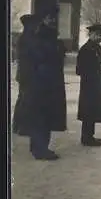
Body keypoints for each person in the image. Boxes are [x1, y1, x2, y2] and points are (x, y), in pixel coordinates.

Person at [20, 14, 67, 160]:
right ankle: (41, 150)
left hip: (39, 85)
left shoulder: (36, 38)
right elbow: (40, 61)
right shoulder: (38, 40)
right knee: (42, 118)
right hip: (42, 85)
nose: (52, 21)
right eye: (48, 19)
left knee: (39, 117)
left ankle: (37, 148)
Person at [76, 23, 101, 147]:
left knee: (93, 111)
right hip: (89, 86)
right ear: (91, 35)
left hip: (96, 85)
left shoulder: (96, 47)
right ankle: (86, 138)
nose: (100, 36)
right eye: (97, 34)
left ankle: (89, 136)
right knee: (88, 111)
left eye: (100, 34)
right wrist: (93, 76)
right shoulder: (86, 49)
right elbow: (79, 69)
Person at [12, 14, 41, 135]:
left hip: (24, 74)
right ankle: (23, 128)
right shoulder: (28, 39)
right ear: (29, 25)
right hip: (28, 74)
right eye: (34, 24)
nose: (36, 27)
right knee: (27, 100)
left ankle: (17, 126)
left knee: (22, 100)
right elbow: (31, 57)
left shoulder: (23, 38)